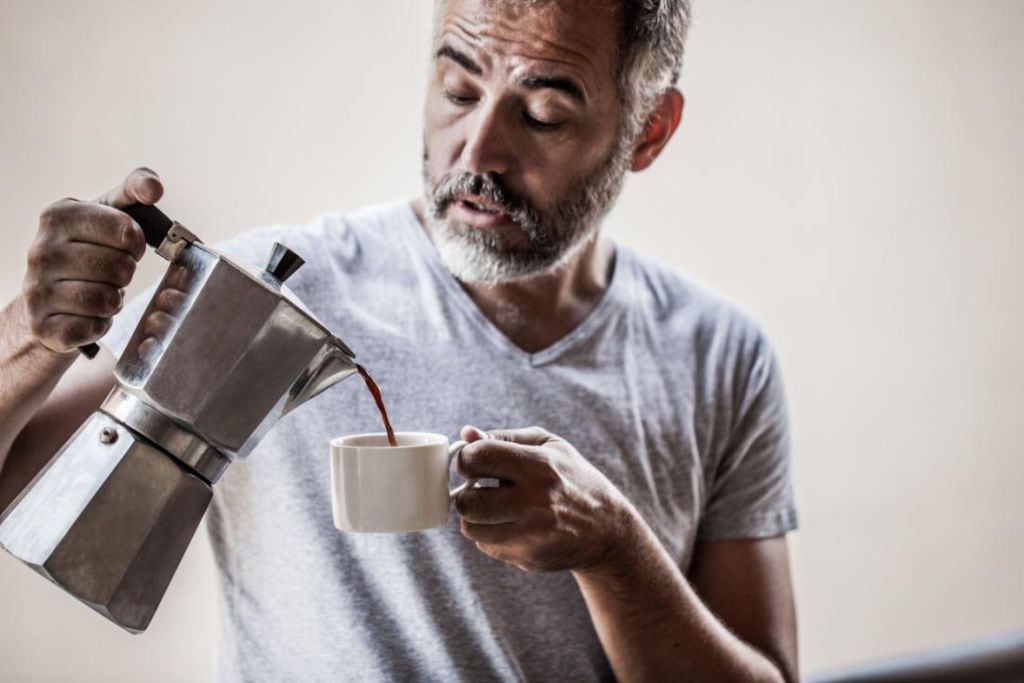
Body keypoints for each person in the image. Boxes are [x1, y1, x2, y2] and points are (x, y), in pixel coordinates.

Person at [0, 0, 799, 680]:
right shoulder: (273, 294)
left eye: (544, 112)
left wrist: (616, 550)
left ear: (648, 131)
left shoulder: (717, 354)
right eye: (457, 88)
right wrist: (31, 337)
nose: (478, 152)